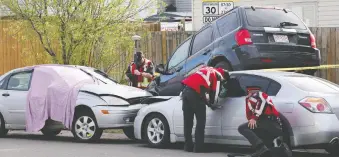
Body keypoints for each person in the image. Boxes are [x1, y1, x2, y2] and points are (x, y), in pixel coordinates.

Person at [180, 66, 230, 153]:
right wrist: (213, 104)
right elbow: (214, 94)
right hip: (195, 95)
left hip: (185, 92)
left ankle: (188, 146)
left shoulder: (207, 69)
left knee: (187, 122)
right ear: (224, 77)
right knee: (200, 122)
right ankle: (198, 148)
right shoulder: (217, 76)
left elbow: (201, 90)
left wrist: (208, 104)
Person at [238, 87, 292, 157]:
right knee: (266, 148)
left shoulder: (259, 94)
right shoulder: (251, 98)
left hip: (268, 122)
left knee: (242, 128)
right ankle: (263, 151)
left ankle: (261, 148)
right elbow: (249, 114)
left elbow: (261, 102)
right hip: (266, 123)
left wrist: (254, 118)